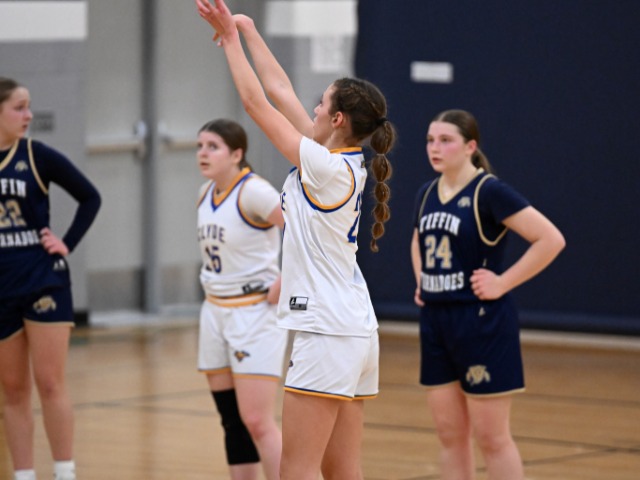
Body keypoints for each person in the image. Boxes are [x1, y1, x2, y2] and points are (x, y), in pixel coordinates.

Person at [194, 1, 396, 478]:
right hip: (354, 328)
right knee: (342, 470)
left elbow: (256, 104)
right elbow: (279, 89)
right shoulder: (335, 158)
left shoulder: (325, 166)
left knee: (297, 470)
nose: (314, 108)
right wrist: (247, 29)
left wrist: (229, 42)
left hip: (326, 330)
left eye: (322, 103)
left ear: (339, 119)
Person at [410, 109, 566, 480]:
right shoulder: (426, 192)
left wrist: (503, 282)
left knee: (491, 437)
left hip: (481, 322)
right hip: (435, 321)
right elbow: (417, 240)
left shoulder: (489, 191)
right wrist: (422, 280)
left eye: (445, 140)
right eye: (430, 140)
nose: (435, 148)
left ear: (470, 146)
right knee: (449, 435)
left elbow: (550, 239)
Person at [0, 77, 101, 480]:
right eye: (19, 107)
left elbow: (90, 196)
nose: (28, 115)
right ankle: (24, 474)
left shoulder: (36, 155)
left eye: (29, 106)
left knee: (50, 383)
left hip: (44, 280)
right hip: (2, 287)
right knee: (12, 390)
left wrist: (66, 243)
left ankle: (64, 472)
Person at [195, 118, 287, 480]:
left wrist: (288, 277)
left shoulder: (255, 192)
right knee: (232, 420)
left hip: (254, 313)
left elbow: (304, 230)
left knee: (257, 421)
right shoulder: (204, 193)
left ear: (237, 154)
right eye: (200, 146)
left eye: (212, 147)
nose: (203, 153)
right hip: (214, 311)